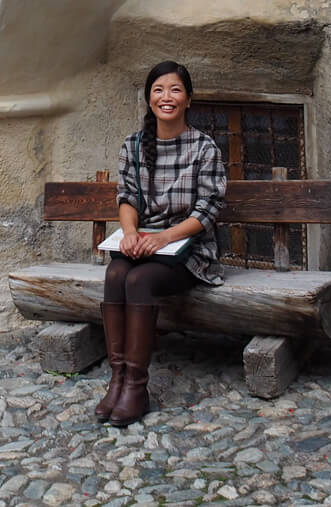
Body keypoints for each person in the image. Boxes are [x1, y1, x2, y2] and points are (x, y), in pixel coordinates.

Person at [95, 60, 226, 426]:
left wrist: (163, 239)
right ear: (149, 99)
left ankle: (136, 385)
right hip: (144, 242)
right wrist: (133, 234)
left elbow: (208, 210)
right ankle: (117, 379)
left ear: (188, 99)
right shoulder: (134, 145)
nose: (166, 97)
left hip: (188, 250)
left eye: (175, 90)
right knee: (115, 275)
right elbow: (127, 198)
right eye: (158, 90)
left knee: (138, 280)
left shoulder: (203, 147)